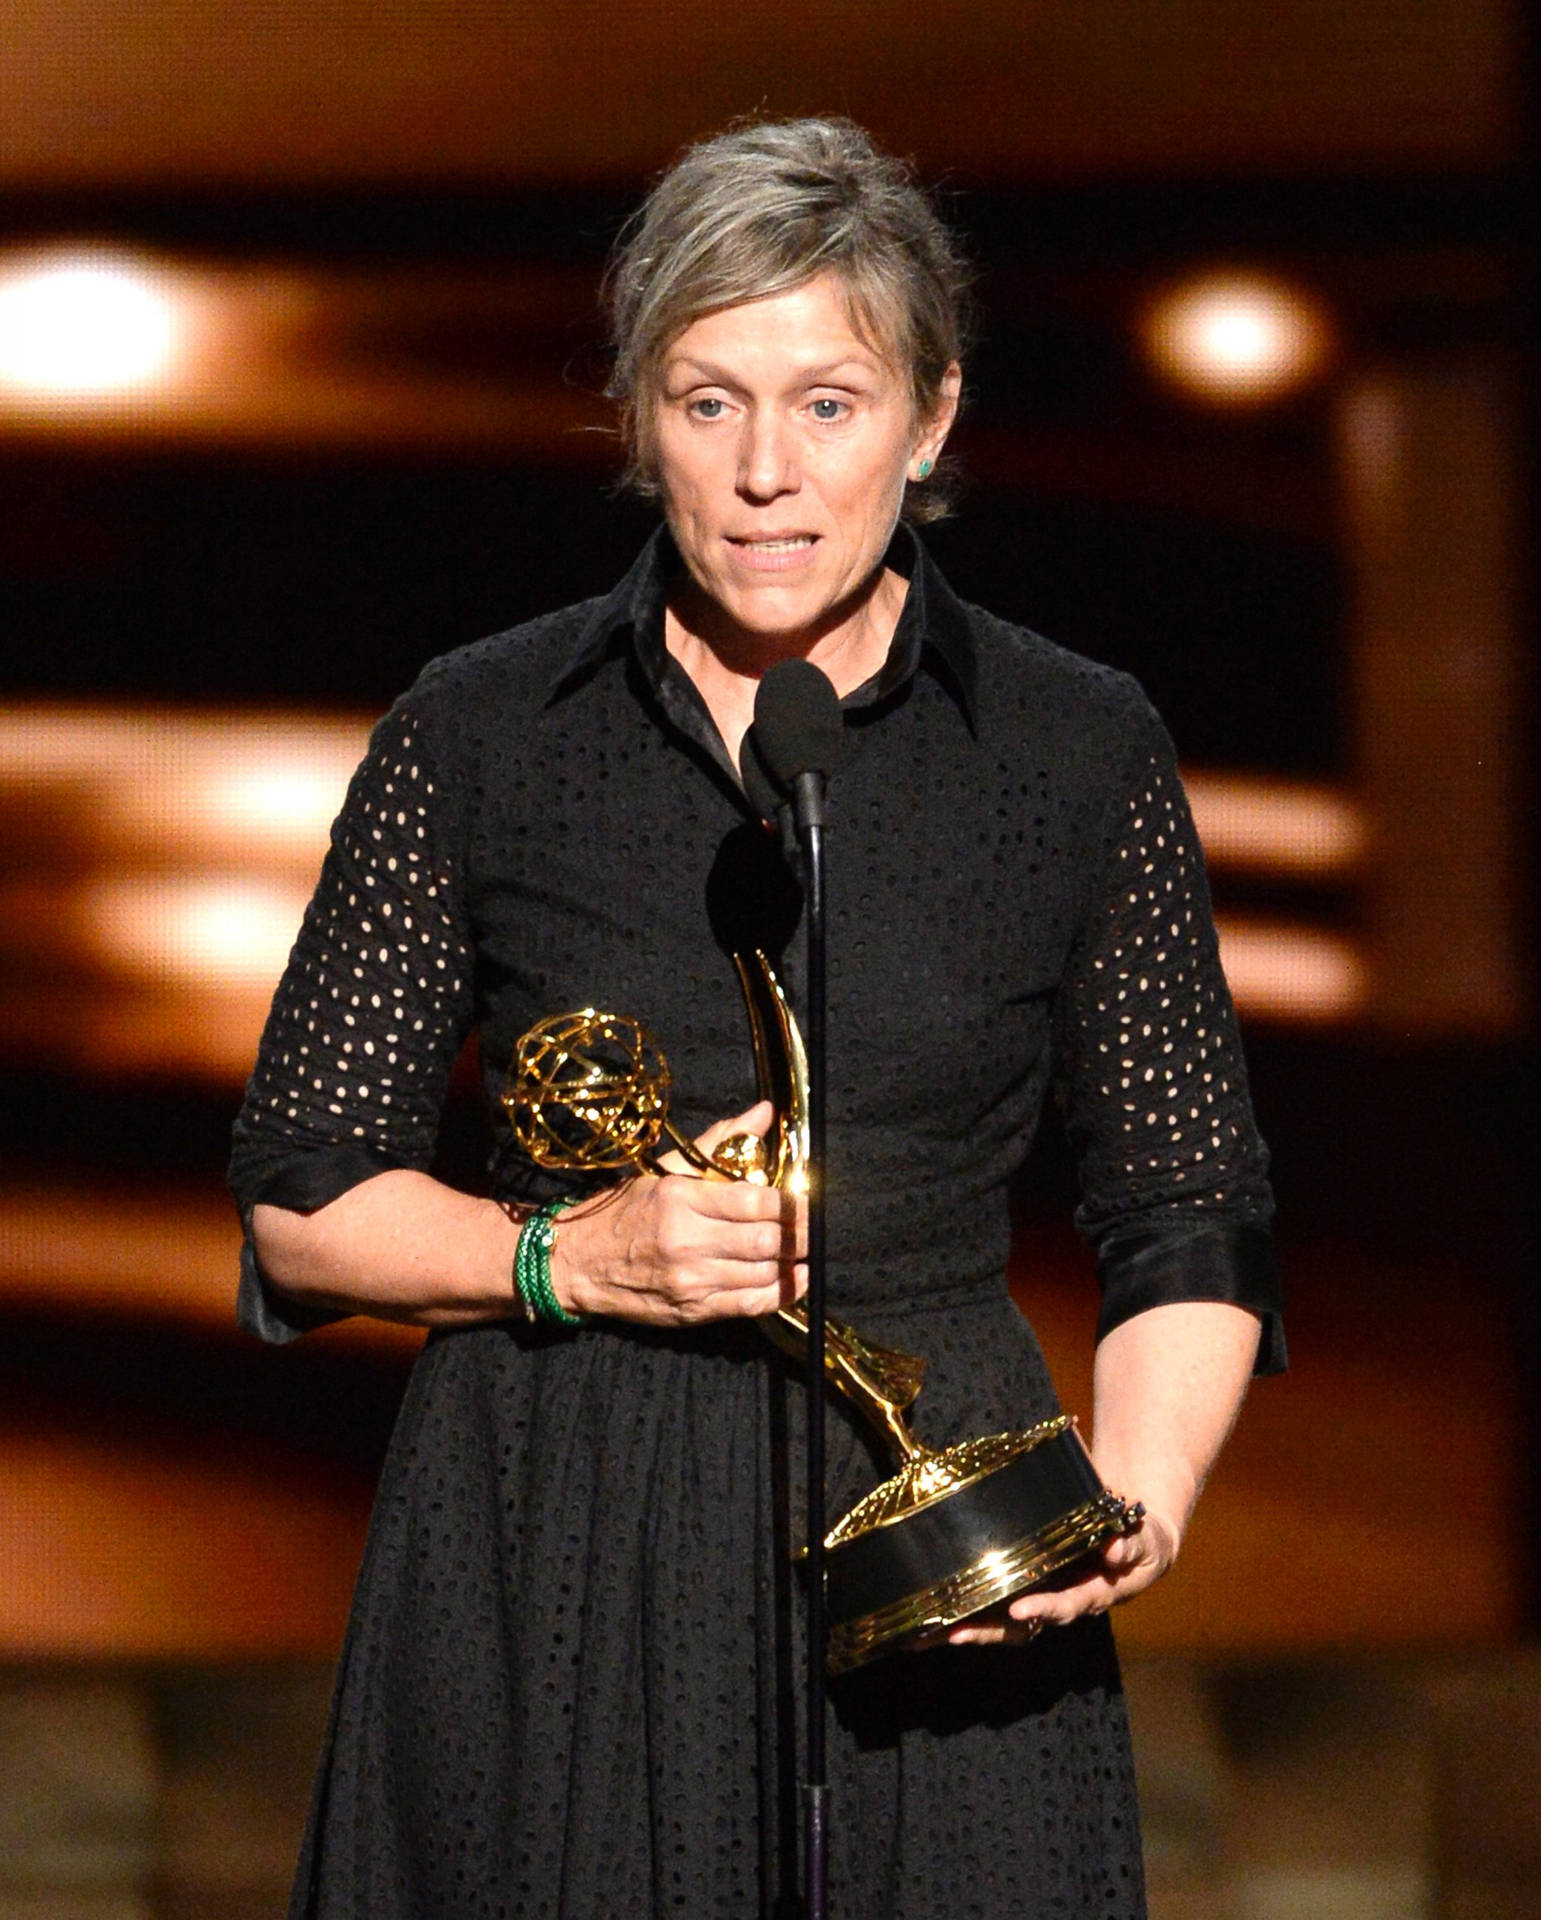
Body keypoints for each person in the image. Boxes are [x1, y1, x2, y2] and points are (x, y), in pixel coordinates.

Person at [230, 116, 1283, 1920]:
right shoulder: (481, 733)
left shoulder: (1071, 745)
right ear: (639, 421)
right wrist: (580, 1257)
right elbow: (302, 1200)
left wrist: (1135, 1493)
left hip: (941, 1544)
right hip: (548, 1534)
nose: (766, 475)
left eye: (828, 402)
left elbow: (1185, 1206)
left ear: (930, 420)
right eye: (708, 403)